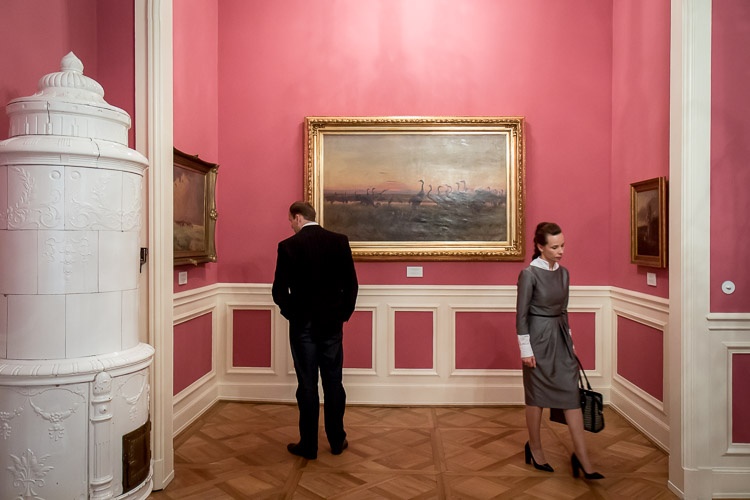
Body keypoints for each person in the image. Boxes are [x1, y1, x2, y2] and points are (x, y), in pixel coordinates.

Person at [515, 222, 604, 479]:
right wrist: (525, 350)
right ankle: (535, 447)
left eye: (562, 245)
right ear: (540, 246)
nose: (561, 251)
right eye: (554, 247)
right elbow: (521, 315)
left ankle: (582, 457)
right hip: (537, 340)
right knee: (536, 396)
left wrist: (570, 344)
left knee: (570, 395)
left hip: (561, 338)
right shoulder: (529, 274)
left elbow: (563, 311)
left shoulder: (564, 274)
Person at [272, 201, 359, 460]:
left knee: (307, 385)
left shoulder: (288, 246)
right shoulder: (339, 241)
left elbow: (279, 291)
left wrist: (293, 314)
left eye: (290, 220)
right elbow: (352, 286)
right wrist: (342, 315)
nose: (290, 225)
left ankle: (309, 445)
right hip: (332, 324)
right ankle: (336, 440)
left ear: (298, 217)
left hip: (302, 327)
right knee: (334, 383)